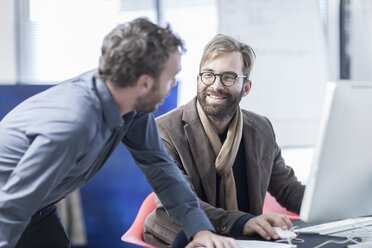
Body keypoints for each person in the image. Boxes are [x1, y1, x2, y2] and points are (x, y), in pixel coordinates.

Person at [0, 18, 237, 248]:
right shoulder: (74, 122)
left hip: (36, 205)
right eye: (171, 77)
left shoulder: (131, 106)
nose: (173, 84)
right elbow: (12, 206)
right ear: (144, 83)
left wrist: (200, 230)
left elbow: (160, 168)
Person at [143, 34, 306, 247]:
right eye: (209, 75)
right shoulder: (165, 129)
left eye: (228, 77)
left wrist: (334, 204)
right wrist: (243, 222)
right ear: (198, 80)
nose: (216, 85)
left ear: (246, 87)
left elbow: (287, 188)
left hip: (244, 238)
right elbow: (182, 203)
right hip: (185, 236)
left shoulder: (261, 128)